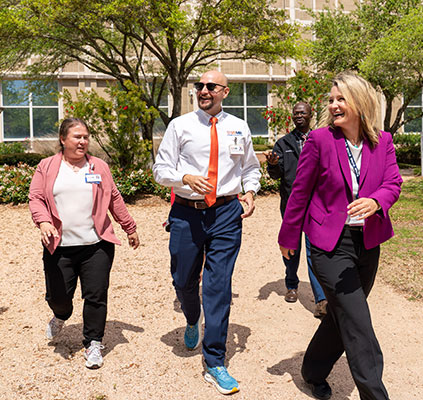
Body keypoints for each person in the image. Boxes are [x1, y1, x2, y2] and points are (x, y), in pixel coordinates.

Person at [278, 72, 402, 400]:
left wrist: (377, 201)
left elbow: (393, 183)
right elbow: (300, 191)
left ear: (360, 103)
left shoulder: (383, 142)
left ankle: (312, 370)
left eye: (340, 99)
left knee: (341, 314)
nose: (333, 105)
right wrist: (288, 236)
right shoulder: (320, 140)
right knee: (358, 322)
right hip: (329, 245)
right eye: (331, 100)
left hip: (368, 243)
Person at [153, 70, 260, 395]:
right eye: (200, 85)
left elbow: (250, 167)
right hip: (187, 214)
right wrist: (184, 179)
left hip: (227, 213)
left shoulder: (238, 127)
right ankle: (191, 316)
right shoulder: (180, 126)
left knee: (218, 286)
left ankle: (215, 361)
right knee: (183, 279)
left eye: (211, 86)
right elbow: (160, 170)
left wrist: (250, 192)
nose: (203, 90)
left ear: (224, 92)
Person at [29, 117, 140, 369]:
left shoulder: (98, 166)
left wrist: (129, 227)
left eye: (86, 137)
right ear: (62, 139)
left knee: (96, 294)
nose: (82, 141)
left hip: (96, 245)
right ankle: (60, 315)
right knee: (59, 296)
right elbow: (35, 198)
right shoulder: (46, 167)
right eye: (77, 136)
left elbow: (114, 198)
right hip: (59, 247)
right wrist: (44, 221)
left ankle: (93, 342)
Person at [264, 102, 328, 318]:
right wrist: (272, 165)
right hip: (292, 205)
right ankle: (291, 285)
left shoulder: (320, 139)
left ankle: (321, 299)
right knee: (291, 247)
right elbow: (276, 175)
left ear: (311, 115)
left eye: (302, 113)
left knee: (315, 250)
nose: (298, 116)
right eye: (295, 113)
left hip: (316, 205)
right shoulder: (284, 143)